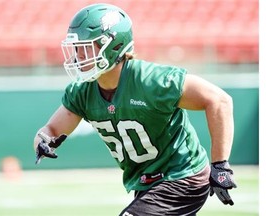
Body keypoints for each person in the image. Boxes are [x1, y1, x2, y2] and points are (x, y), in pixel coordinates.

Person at [33, 3, 237, 215]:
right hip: (147, 184)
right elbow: (51, 130)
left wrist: (220, 165)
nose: (78, 56)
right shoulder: (82, 92)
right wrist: (42, 141)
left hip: (182, 176)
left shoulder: (151, 80)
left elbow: (219, 101)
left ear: (112, 46)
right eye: (76, 49)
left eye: (85, 47)